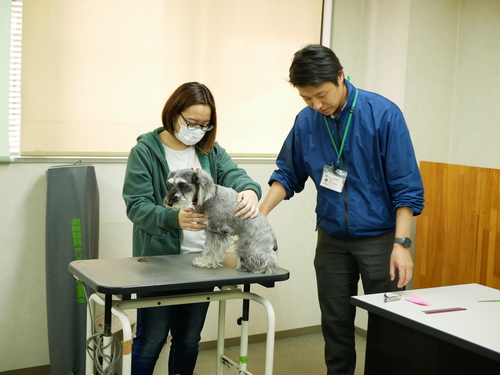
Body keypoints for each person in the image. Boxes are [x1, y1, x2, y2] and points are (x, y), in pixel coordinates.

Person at [259, 45, 425, 375]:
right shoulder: (307, 121)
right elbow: (288, 173)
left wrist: (401, 244)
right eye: (307, 98)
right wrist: (259, 215)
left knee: (389, 323)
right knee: (335, 323)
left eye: (321, 95)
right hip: (332, 239)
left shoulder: (383, 114)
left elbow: (406, 187)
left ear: (340, 76)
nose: (317, 105)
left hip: (381, 239)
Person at [122, 82, 262, 375]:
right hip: (160, 262)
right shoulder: (146, 152)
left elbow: (235, 175)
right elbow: (137, 206)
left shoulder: (209, 151)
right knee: (150, 340)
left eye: (205, 124)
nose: (198, 129)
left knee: (188, 340)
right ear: (173, 113)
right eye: (192, 123)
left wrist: (249, 190)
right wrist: (174, 219)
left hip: (202, 262)